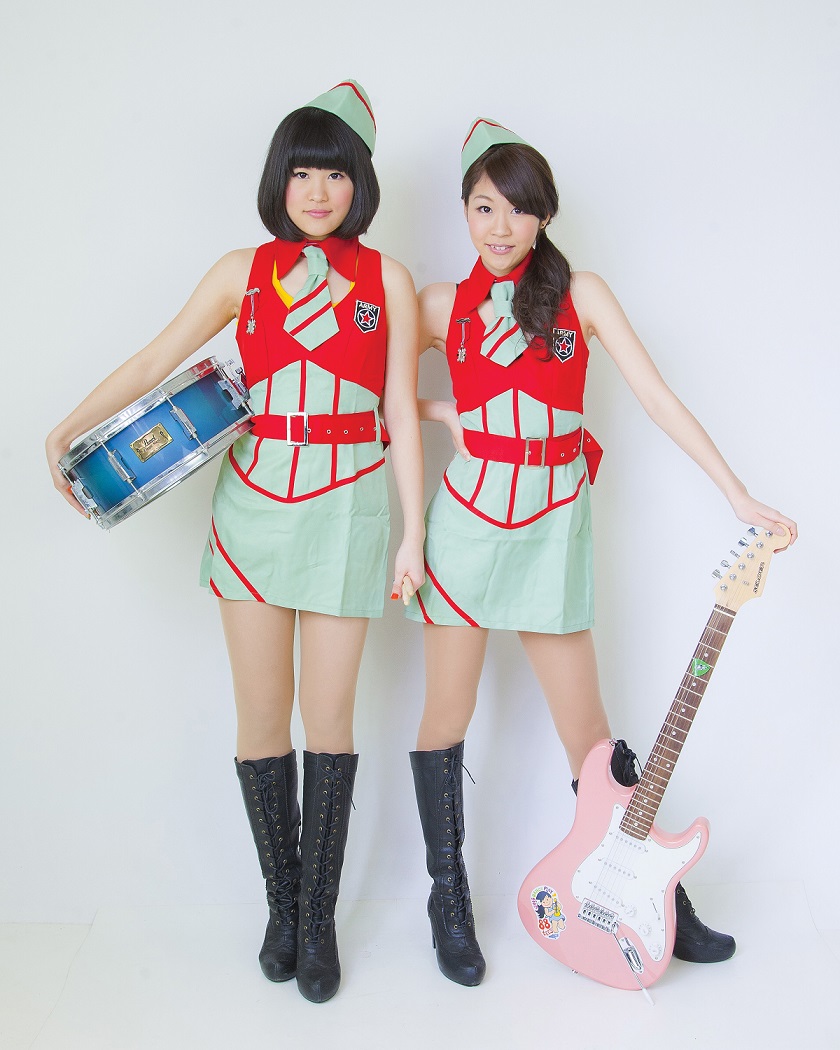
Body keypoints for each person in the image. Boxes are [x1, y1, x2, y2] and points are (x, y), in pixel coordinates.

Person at [45, 81, 425, 1004]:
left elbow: (401, 412)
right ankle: (281, 906)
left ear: (360, 184)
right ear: (278, 181)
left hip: (349, 510)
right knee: (261, 720)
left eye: (335, 173)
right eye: (302, 172)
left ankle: (318, 919)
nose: (318, 192)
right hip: (253, 509)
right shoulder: (240, 272)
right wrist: (67, 429)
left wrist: (413, 533)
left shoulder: (388, 280)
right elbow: (155, 359)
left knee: (329, 723)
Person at [406, 117, 797, 987]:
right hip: (465, 524)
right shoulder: (436, 306)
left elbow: (655, 396)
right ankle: (447, 900)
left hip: (553, 524)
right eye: (482, 207)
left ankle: (658, 895)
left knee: (588, 738)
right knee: (445, 717)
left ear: (544, 215)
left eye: (516, 208)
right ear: (463, 212)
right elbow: (376, 394)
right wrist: (444, 415)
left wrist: (736, 494)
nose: (499, 226)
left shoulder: (578, 293)